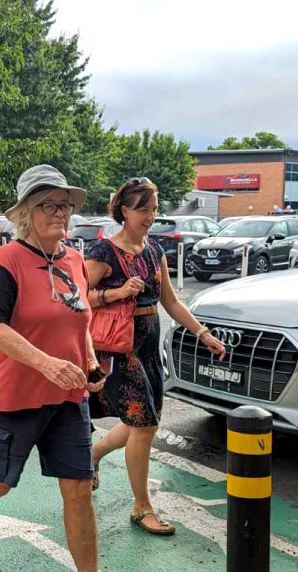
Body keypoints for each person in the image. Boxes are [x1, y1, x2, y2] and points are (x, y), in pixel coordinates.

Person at [0, 165, 130, 572]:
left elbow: (77, 323)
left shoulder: (73, 259)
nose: (60, 212)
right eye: (48, 204)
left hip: (68, 400)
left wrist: (89, 365)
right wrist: (47, 364)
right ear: (26, 214)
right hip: (15, 398)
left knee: (78, 489)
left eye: (66, 204)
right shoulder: (8, 259)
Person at [85, 177, 226, 536]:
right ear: (124, 211)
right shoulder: (103, 253)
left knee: (142, 422)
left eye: (153, 209)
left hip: (149, 347)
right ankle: (141, 507)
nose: (150, 216)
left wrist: (202, 333)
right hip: (119, 349)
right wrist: (115, 293)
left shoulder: (154, 251)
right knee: (144, 425)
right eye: (142, 209)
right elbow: (78, 298)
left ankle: (94, 455)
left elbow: (171, 302)